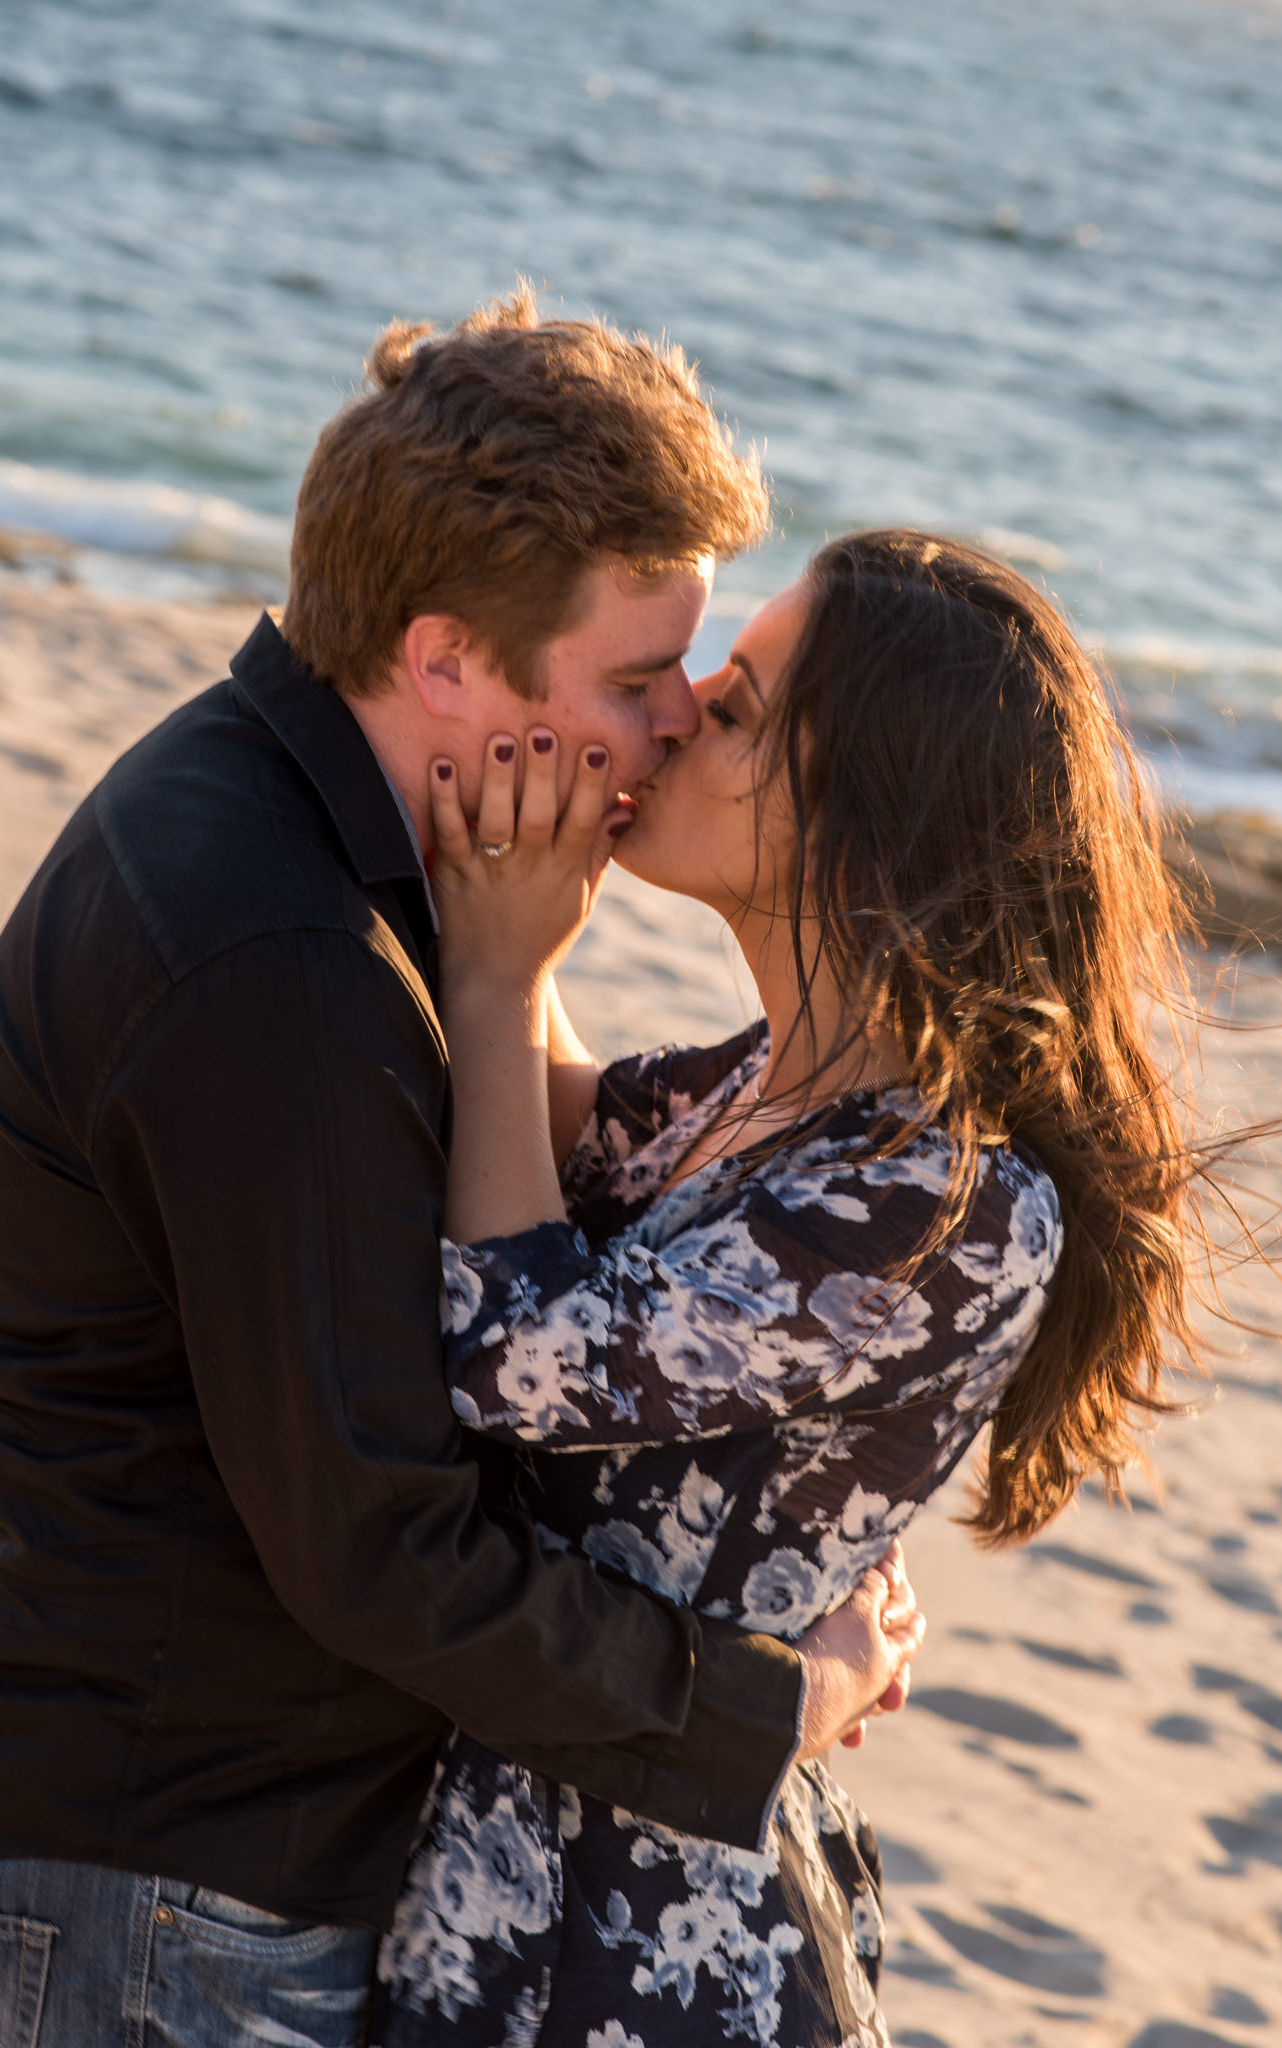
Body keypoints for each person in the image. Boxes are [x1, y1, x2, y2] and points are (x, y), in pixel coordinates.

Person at [0, 295, 922, 2048]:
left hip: (157, 1855)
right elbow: (381, 1551)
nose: (673, 723)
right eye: (632, 678)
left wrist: (508, 962)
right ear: (448, 660)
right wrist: (768, 1709)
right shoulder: (278, 965)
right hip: (145, 1888)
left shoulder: (322, 850)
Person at [367, 527, 1202, 2044]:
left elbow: (502, 1349)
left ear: (863, 822)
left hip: (633, 1949)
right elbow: (544, 1152)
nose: (675, 712)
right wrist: (526, 930)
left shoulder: (939, 1200)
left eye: (738, 706)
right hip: (517, 1862)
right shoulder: (762, 1091)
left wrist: (494, 972)